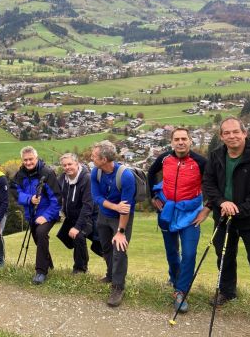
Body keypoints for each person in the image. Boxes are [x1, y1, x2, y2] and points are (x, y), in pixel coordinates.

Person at [202, 116, 250, 336]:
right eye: (226, 133)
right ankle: (228, 292)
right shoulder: (217, 155)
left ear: (245, 133)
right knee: (224, 256)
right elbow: (208, 184)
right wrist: (221, 203)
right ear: (221, 136)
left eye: (236, 131)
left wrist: (238, 210)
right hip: (222, 216)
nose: (232, 136)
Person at [147, 128, 207, 313]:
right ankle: (175, 279)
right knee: (172, 252)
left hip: (190, 214)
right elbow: (150, 174)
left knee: (189, 254)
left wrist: (207, 209)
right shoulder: (164, 158)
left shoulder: (201, 162)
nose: (180, 142)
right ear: (171, 142)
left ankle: (181, 291)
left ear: (190, 141)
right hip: (167, 212)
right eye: (177, 139)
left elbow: (214, 184)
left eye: (184, 139)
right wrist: (153, 197)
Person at [90, 140, 136, 307]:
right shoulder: (96, 172)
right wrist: (114, 206)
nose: (91, 158)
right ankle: (110, 275)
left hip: (121, 218)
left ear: (104, 159)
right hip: (104, 215)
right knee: (106, 248)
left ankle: (118, 287)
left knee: (119, 250)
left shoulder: (126, 176)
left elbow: (126, 208)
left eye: (94, 156)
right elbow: (96, 197)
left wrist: (121, 231)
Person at [12, 146, 61, 285]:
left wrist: (46, 216)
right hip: (31, 214)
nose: (28, 162)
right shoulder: (20, 174)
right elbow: (14, 190)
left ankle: (41, 271)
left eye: (31, 159)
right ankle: (50, 266)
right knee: (39, 240)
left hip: (48, 214)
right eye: (25, 160)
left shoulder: (47, 173)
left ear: (36, 158)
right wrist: (29, 199)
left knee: (41, 233)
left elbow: (56, 198)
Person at [57, 153, 100, 274]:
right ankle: (80, 267)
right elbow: (56, 192)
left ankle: (80, 269)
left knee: (85, 238)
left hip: (89, 217)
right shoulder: (63, 178)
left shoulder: (86, 178)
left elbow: (88, 206)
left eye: (70, 164)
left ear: (77, 163)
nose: (67, 167)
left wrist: (77, 227)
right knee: (66, 237)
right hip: (72, 216)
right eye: (64, 165)